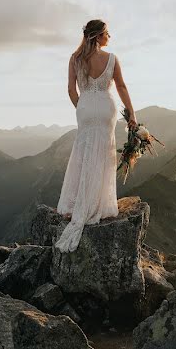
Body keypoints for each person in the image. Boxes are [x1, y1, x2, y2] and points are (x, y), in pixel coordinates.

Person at [55, 19, 137, 253]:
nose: (109, 37)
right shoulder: (111, 59)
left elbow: (71, 89)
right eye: (107, 33)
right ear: (99, 35)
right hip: (105, 107)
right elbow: (121, 86)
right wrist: (131, 113)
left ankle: (76, 201)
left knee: (83, 150)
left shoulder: (75, 58)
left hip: (86, 107)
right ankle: (99, 203)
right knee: (103, 151)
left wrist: (81, 106)